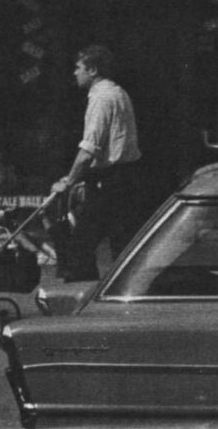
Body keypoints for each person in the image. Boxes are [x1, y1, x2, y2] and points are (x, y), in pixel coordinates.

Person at [51, 44, 142, 282]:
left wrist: (69, 182)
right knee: (121, 244)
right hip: (124, 177)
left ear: (92, 70)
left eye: (78, 67)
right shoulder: (119, 93)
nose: (74, 73)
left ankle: (82, 298)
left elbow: (90, 148)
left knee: (80, 246)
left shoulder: (101, 98)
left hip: (109, 180)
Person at [0, 161, 57, 265]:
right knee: (20, 236)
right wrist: (4, 213)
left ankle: (52, 253)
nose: (0, 186)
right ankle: (38, 255)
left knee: (29, 235)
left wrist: (7, 211)